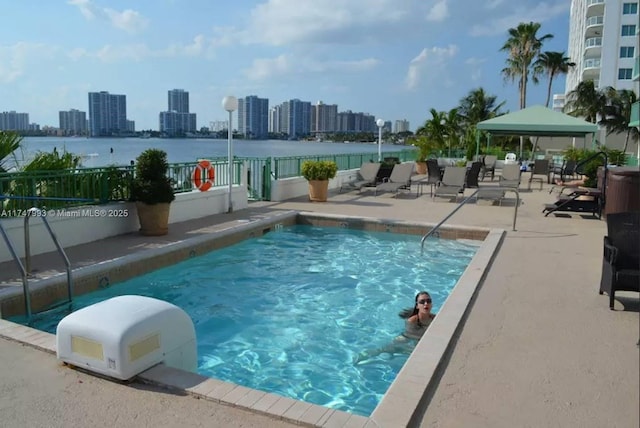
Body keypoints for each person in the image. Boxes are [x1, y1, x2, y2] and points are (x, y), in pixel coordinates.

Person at [354, 291, 436, 363]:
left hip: (418, 339)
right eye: (422, 302)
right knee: (387, 348)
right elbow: (412, 336)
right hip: (406, 337)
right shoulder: (412, 321)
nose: (426, 304)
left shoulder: (434, 318)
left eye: (428, 301)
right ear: (417, 306)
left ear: (431, 304)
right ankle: (365, 355)